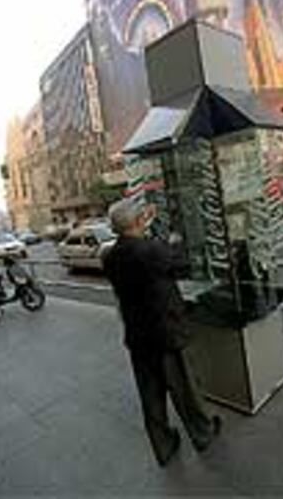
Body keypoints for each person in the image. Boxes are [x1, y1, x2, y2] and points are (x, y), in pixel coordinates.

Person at [102, 198, 221, 466]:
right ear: (137, 221)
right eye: (142, 217)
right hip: (166, 333)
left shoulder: (110, 256)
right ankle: (203, 434)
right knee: (185, 389)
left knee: (151, 396)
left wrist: (145, 224)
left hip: (137, 336)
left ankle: (164, 445)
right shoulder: (151, 250)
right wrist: (173, 237)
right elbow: (181, 261)